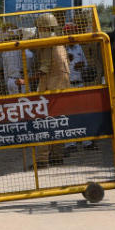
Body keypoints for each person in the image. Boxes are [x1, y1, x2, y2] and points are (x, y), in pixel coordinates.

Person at [34, 13, 70, 167]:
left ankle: (42, 159)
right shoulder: (59, 41)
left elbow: (44, 68)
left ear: (42, 27)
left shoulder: (48, 42)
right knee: (58, 123)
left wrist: (27, 80)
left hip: (50, 89)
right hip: (63, 89)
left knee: (42, 123)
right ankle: (57, 156)